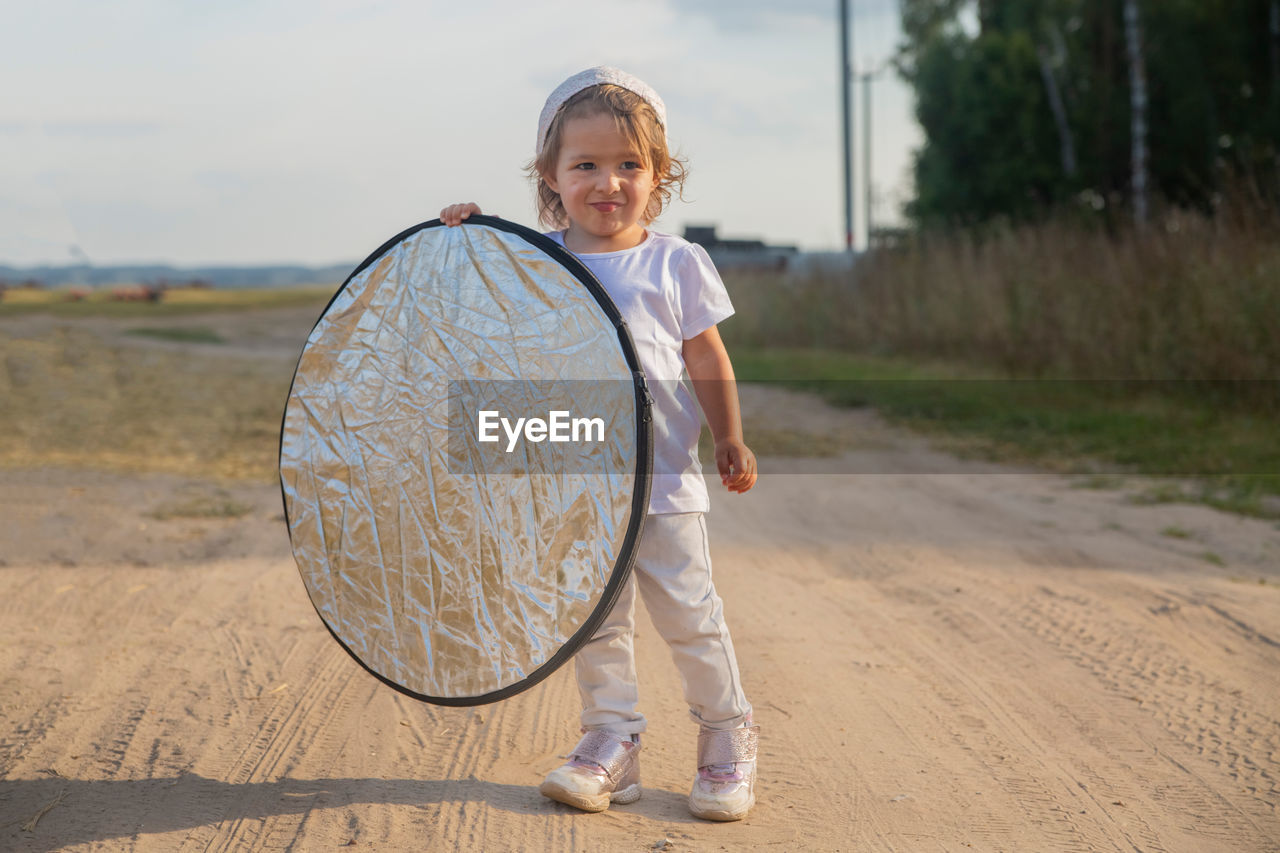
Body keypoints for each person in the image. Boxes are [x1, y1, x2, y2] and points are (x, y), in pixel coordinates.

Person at [440, 66, 759, 822]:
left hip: (665, 486)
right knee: (596, 621)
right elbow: (480, 298)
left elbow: (706, 356)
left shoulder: (675, 262)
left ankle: (727, 738)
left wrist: (730, 436)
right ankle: (611, 742)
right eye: (585, 164)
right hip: (577, 486)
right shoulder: (536, 260)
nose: (607, 182)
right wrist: (469, 230)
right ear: (550, 176)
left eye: (628, 165)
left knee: (690, 615)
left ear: (659, 175)